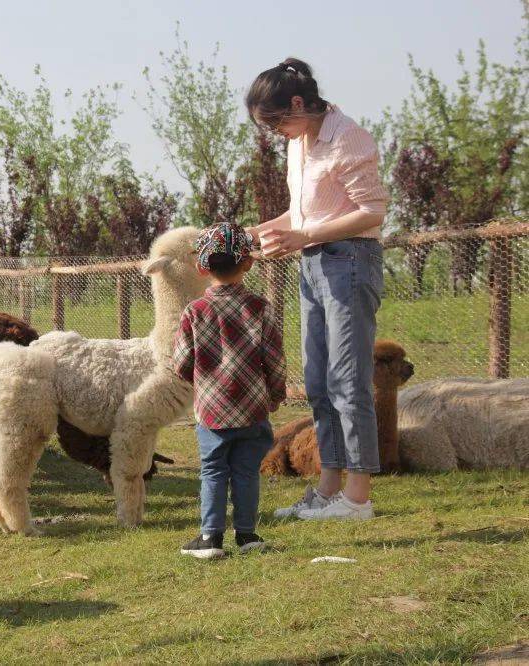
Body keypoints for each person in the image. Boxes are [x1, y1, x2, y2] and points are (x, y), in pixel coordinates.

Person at [245, 58, 388, 520]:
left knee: (348, 381)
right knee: (318, 383)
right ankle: (328, 489)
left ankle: (358, 497)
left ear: (300, 103)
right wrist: (257, 233)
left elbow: (372, 211)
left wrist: (304, 236)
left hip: (349, 261)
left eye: (276, 122)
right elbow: (302, 215)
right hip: (314, 265)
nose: (275, 133)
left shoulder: (348, 137)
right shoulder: (301, 143)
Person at [172, 223, 286, 559]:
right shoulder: (260, 308)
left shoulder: (195, 312)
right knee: (247, 471)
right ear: (248, 263)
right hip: (252, 409)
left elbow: (180, 362)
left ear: (202, 267)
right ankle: (248, 534)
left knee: (214, 470)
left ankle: (210, 538)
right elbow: (275, 360)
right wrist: (275, 394)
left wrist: (202, 384)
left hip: (212, 412)